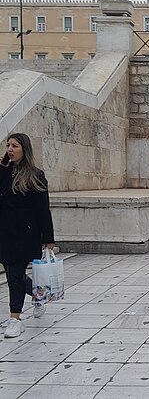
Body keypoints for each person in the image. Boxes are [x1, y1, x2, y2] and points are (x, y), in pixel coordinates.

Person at [0, 133, 55, 338]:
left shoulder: (35, 175)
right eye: (8, 146)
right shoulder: (4, 172)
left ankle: (14, 319)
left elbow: (43, 210)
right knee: (15, 276)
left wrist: (48, 239)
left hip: (26, 235)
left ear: (24, 149)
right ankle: (38, 296)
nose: (10, 149)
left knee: (14, 277)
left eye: (15, 146)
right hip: (4, 234)